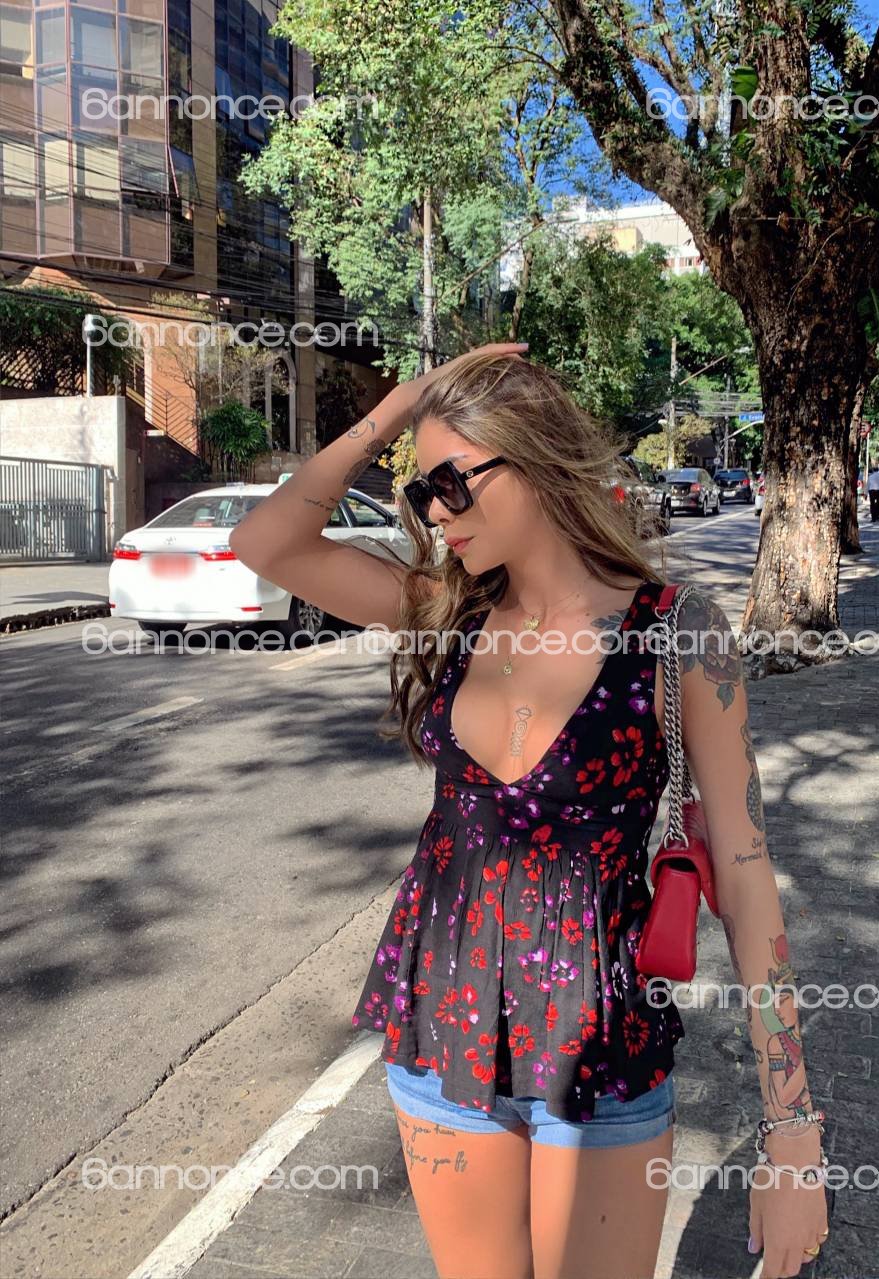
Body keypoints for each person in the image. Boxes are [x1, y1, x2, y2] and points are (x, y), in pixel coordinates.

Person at [229, 344, 828, 1279]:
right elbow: (268, 545)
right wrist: (404, 403)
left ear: (535, 457)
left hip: (599, 1041)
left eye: (452, 482)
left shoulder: (677, 631)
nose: (435, 512)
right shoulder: (447, 612)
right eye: (421, 491)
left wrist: (791, 1131)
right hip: (444, 1025)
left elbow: (748, 881)